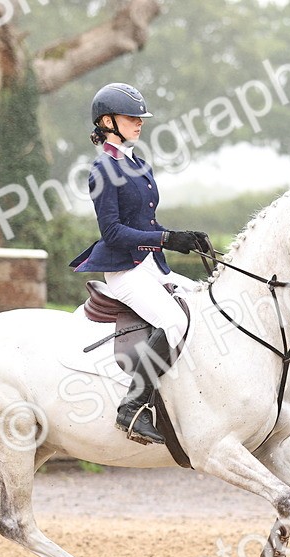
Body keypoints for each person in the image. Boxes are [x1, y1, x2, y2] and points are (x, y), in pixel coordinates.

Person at [70, 82, 211, 446]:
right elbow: (114, 232)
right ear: (107, 121)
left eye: (140, 117)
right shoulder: (103, 169)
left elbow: (146, 225)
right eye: (131, 117)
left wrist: (180, 237)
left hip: (151, 265)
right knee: (173, 320)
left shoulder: (138, 164)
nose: (139, 122)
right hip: (124, 270)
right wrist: (165, 239)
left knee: (202, 300)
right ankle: (131, 407)